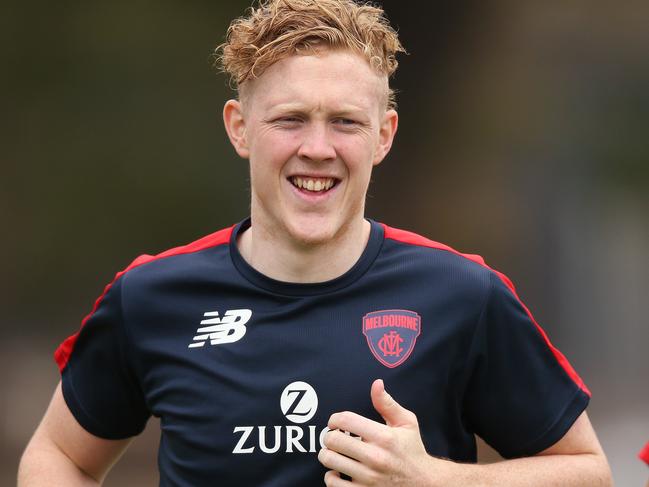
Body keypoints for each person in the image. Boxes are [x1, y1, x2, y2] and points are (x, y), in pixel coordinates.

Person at [18, 0, 613, 485]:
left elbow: (588, 472)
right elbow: (58, 456)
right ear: (239, 128)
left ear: (383, 136)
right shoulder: (150, 296)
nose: (319, 149)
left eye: (346, 122)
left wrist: (435, 480)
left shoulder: (464, 293)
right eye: (290, 119)